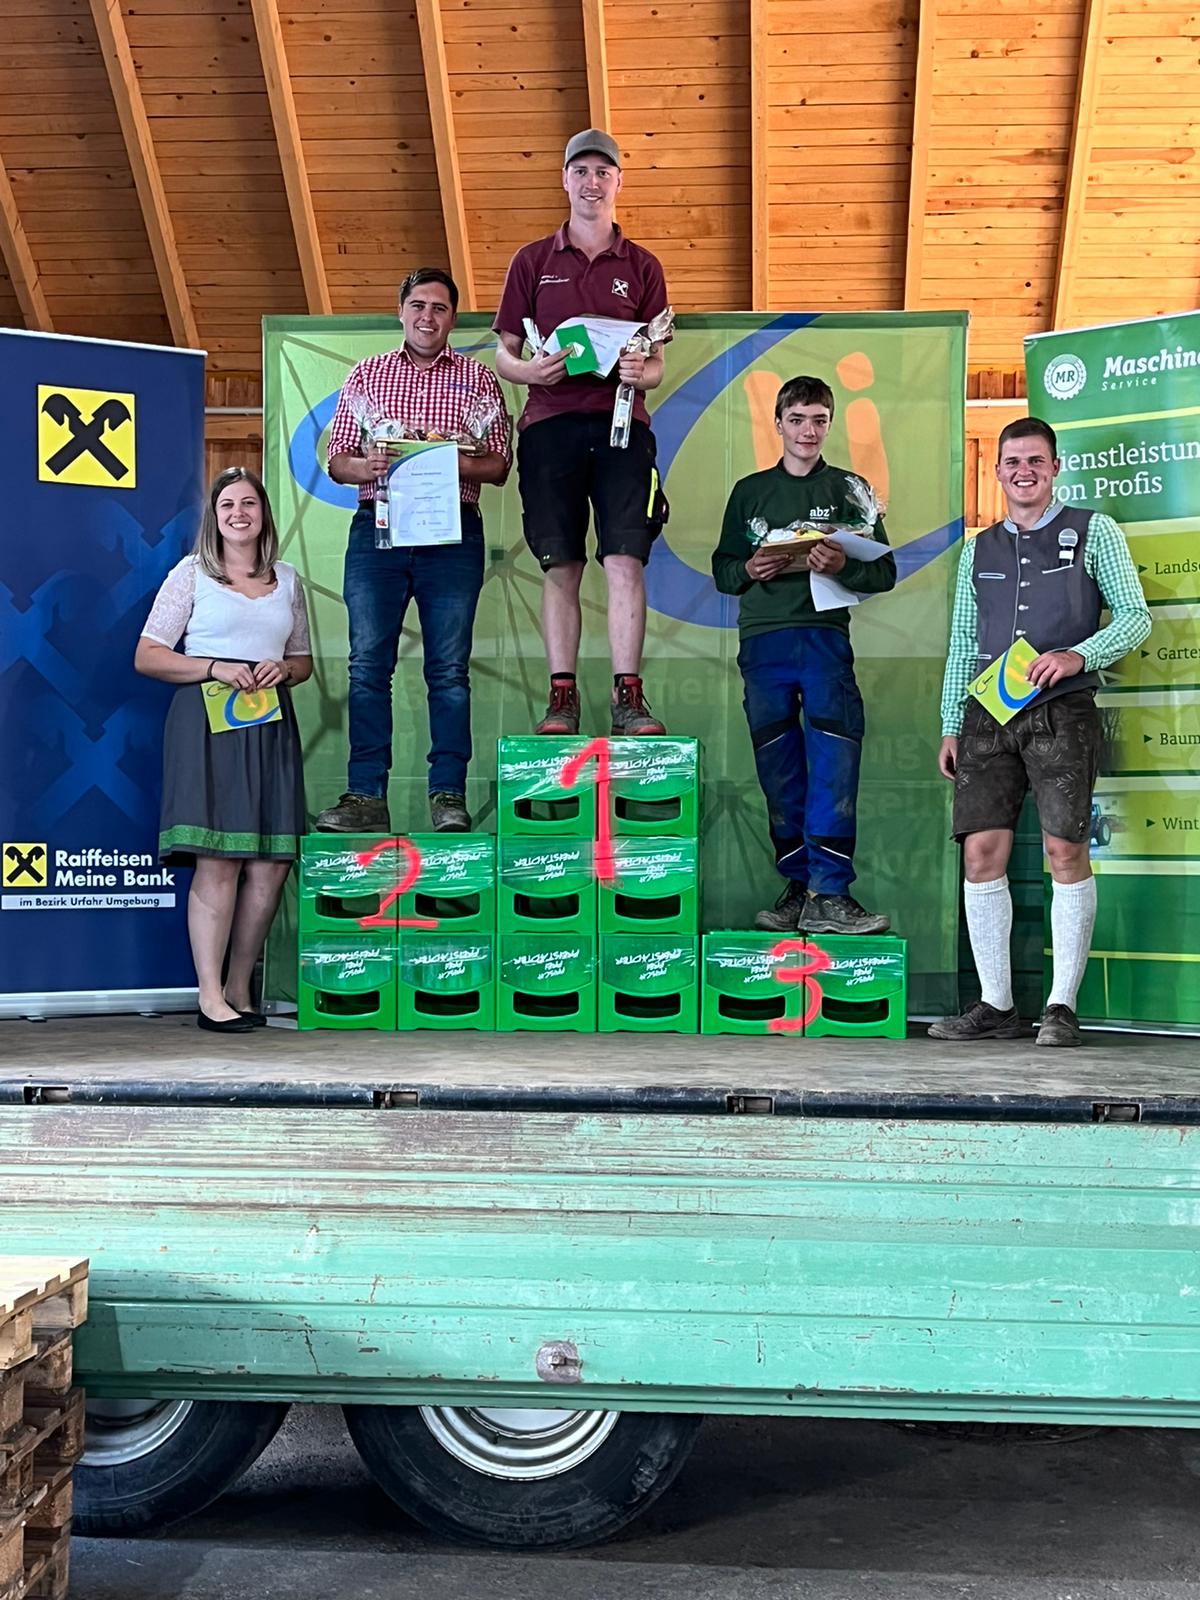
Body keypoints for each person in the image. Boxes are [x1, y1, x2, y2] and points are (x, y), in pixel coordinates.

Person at [929, 417, 1151, 1047]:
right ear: (997, 471)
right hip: (986, 715)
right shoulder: (978, 549)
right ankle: (996, 1004)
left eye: (1035, 460)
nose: (1023, 471)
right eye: (1012, 462)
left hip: (1064, 711)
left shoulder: (1094, 530)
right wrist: (950, 723)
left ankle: (1061, 1007)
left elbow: (1135, 617)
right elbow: (963, 641)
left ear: (1055, 467)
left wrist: (1079, 655)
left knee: (1064, 851)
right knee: (980, 853)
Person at [316, 267, 512, 836]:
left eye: (440, 308)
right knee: (367, 666)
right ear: (401, 312)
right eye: (419, 306)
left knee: (448, 670)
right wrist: (369, 465)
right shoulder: (367, 374)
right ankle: (365, 796)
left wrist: (448, 460)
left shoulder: (479, 379)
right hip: (378, 530)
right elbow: (337, 461)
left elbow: (499, 464)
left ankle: (448, 795)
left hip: (452, 534)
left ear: (453, 318)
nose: (428, 317)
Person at [494, 128, 670, 737]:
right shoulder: (532, 260)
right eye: (581, 171)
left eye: (603, 172)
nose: (592, 183)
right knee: (560, 563)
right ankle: (561, 697)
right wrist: (530, 372)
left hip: (624, 428)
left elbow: (657, 363)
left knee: (625, 560)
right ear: (565, 180)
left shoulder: (643, 265)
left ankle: (628, 697)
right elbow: (505, 354)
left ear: (619, 181)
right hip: (549, 427)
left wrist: (640, 372)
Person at [711, 375, 896, 937]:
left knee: (834, 762)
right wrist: (751, 567)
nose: (808, 431)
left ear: (830, 424)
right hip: (763, 642)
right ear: (778, 424)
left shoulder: (850, 489)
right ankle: (799, 887)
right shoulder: (749, 491)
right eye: (796, 420)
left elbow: (884, 571)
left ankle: (831, 892)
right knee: (779, 767)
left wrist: (843, 565)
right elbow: (724, 570)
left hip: (823, 640)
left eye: (818, 420)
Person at [136, 467, 313, 1034]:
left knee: (271, 865)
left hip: (270, 724)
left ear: (264, 514)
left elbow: (303, 661)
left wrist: (284, 670)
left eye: (249, 504)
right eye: (227, 505)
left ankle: (240, 987)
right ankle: (210, 996)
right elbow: (148, 655)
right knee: (218, 858)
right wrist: (214, 666)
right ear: (214, 518)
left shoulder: (289, 579)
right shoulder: (191, 574)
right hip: (206, 724)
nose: (239, 513)